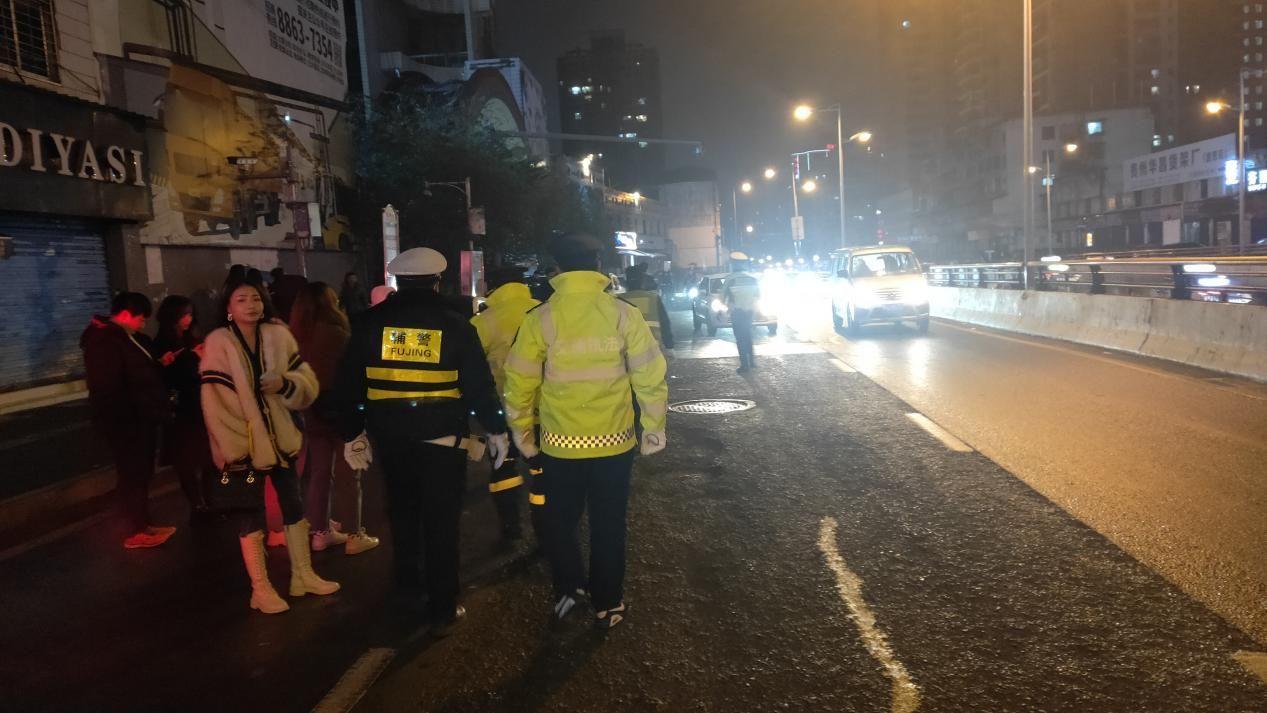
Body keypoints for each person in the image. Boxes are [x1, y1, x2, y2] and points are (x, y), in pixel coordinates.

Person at [331, 247, 509, 635]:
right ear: (437, 282)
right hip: (444, 442)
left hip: (393, 441)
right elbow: (479, 386)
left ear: (397, 281)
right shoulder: (456, 325)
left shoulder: (368, 323)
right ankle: (442, 608)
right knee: (442, 523)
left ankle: (407, 594)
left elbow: (348, 385)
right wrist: (496, 428)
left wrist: (351, 433)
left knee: (404, 517)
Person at [503, 233, 669, 630]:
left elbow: (518, 384)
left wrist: (523, 435)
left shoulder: (540, 318)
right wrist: (653, 429)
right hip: (615, 442)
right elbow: (650, 376)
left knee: (560, 521)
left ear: (557, 269)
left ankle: (569, 587)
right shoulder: (623, 314)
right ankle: (608, 602)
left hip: (559, 445)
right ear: (597, 266)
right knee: (609, 522)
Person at [200, 279, 338, 614]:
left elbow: (306, 380)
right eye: (241, 299)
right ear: (228, 308)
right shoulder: (218, 343)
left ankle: (303, 575)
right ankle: (260, 589)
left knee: (294, 505)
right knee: (250, 513)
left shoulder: (278, 335)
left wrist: (285, 384)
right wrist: (235, 445)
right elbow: (215, 401)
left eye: (256, 299)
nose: (251, 305)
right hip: (243, 447)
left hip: (282, 440)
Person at [80, 292, 176, 549]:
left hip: (137, 418)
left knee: (140, 472)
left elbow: (135, 372)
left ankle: (142, 524)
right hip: (126, 421)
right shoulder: (105, 342)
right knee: (133, 473)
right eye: (140, 318)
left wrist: (157, 365)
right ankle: (135, 529)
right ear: (125, 314)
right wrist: (135, 410)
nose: (142, 324)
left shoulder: (121, 338)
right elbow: (111, 385)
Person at [290, 282, 379, 555]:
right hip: (341, 412)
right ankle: (354, 534)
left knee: (319, 473)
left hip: (310, 412)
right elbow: (353, 376)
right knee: (349, 473)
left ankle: (320, 532)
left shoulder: (294, 336)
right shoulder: (338, 334)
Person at [470, 267, 542, 546]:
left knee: (503, 468)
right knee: (543, 470)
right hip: (545, 410)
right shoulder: (544, 312)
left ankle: (511, 529)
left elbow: (471, 367)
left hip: (502, 410)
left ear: (493, 288)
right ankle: (546, 529)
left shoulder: (484, 321)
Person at [152, 295, 215, 523]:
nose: (188, 319)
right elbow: (165, 378)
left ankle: (209, 502)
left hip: (200, 405)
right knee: (187, 460)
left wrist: (202, 357)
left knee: (208, 458)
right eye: (183, 315)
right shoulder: (162, 344)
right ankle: (198, 505)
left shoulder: (190, 339)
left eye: (190, 314)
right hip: (182, 410)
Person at [723, 254, 761, 374]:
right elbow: (758, 296)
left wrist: (722, 310)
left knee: (740, 338)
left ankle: (745, 365)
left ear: (733, 264)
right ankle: (752, 362)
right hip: (749, 311)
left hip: (737, 312)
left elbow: (722, 296)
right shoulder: (753, 278)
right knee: (748, 335)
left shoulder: (730, 279)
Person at [622, 269, 675, 355]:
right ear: (642, 281)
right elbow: (664, 323)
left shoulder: (617, 300)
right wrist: (669, 346)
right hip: (653, 349)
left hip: (627, 349)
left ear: (625, 282)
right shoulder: (653, 298)